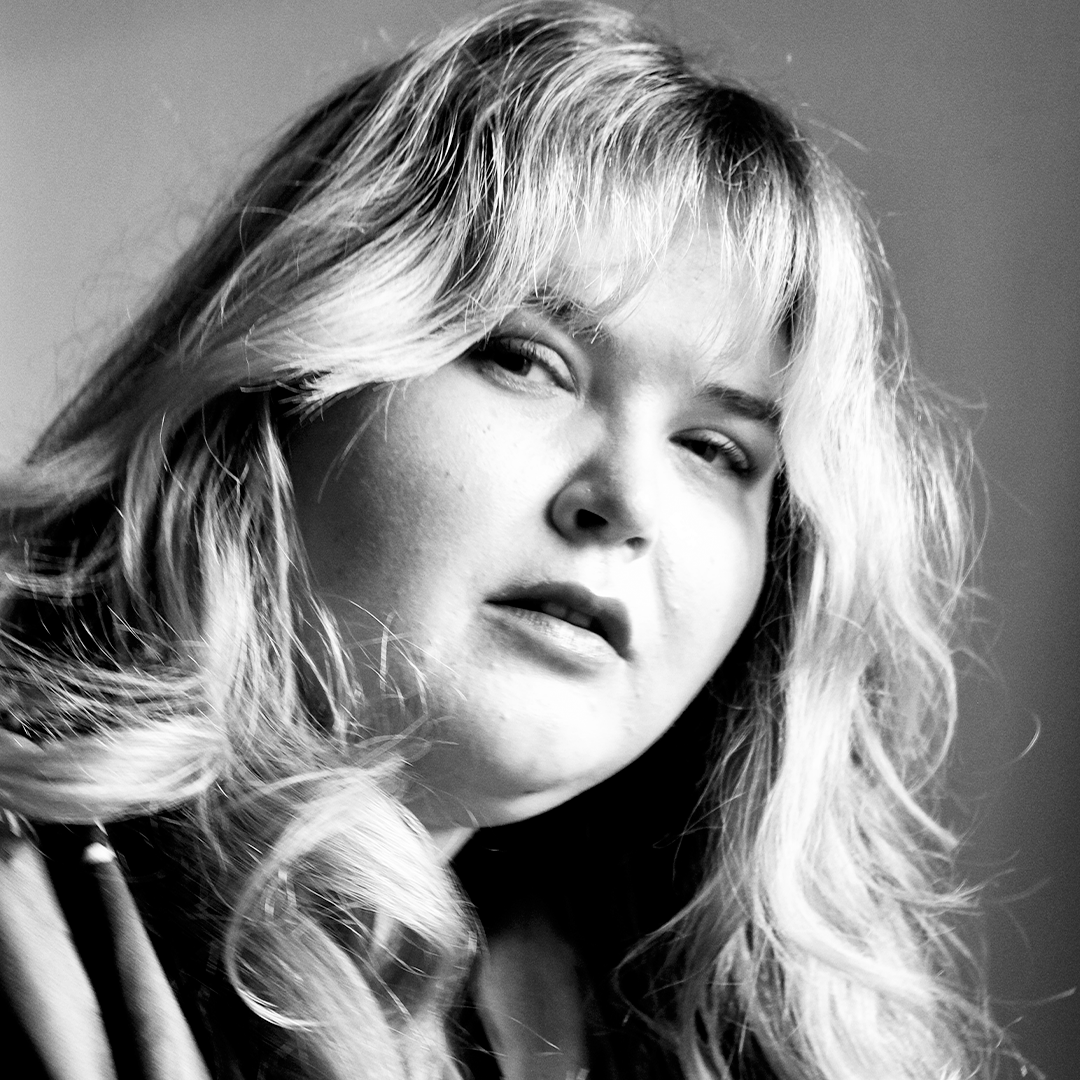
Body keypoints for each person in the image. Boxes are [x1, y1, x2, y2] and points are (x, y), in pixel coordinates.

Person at [0, 2, 1004, 1077]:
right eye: (527, 361)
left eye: (715, 449)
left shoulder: (644, 1023)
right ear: (282, 387)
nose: (627, 502)